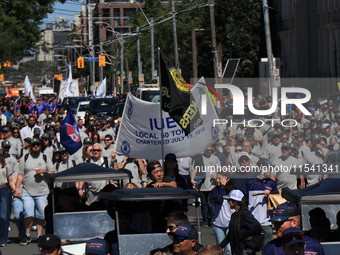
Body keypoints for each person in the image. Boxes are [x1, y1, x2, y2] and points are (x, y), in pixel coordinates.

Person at [14, 137, 54, 245]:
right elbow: (20, 174)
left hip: (42, 191)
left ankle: (39, 235)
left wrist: (43, 172)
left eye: (37, 145)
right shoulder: (25, 158)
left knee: (41, 213)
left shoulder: (45, 157)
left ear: (40, 146)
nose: (35, 146)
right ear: (30, 146)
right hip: (27, 190)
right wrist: (17, 189)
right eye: (33, 145)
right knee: (28, 211)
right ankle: (27, 235)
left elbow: (52, 172)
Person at [219, 189, 262, 255]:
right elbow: (230, 234)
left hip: (244, 250)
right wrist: (219, 247)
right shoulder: (234, 215)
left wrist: (242, 234)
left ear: (235, 202)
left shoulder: (245, 214)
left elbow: (257, 227)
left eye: (229, 200)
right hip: (235, 250)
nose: (228, 203)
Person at [0, 149, 15, 247]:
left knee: (3, 216)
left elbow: (10, 181)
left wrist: (16, 189)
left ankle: (2, 239)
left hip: (3, 190)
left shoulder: (5, 167)